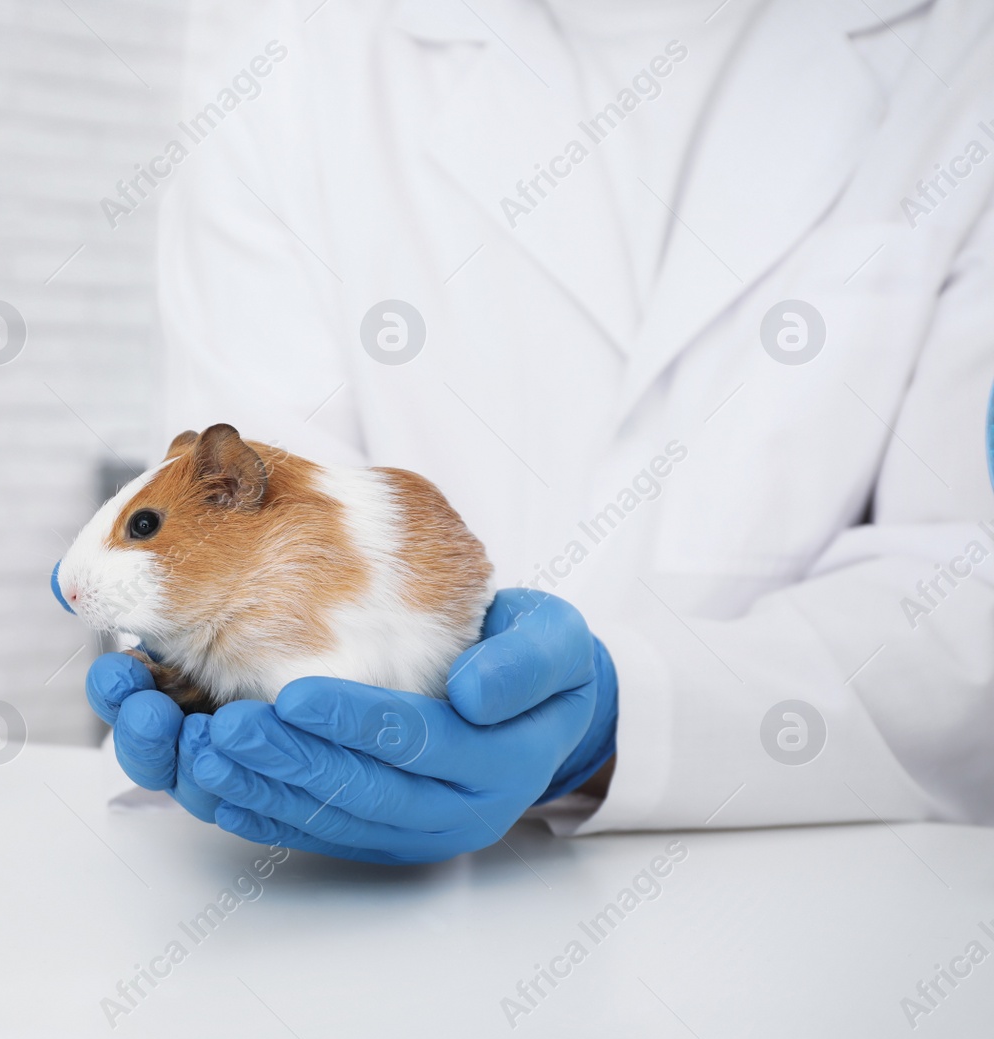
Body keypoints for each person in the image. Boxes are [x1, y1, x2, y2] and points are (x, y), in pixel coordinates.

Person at [70, 0, 994, 863]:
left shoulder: (961, 50)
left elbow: (964, 581)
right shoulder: (298, 39)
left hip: (813, 877)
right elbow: (241, 500)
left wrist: (626, 713)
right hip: (323, 906)